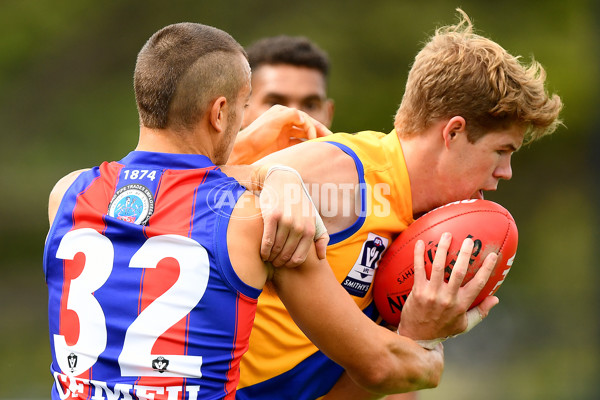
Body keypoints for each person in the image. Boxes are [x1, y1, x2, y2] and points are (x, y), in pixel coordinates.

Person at [43, 22, 497, 400]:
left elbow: (156, 189)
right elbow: (383, 369)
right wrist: (424, 332)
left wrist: (260, 163)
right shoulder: (260, 219)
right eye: (244, 110)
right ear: (220, 113)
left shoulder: (66, 194)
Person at [235, 9, 563, 400]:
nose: (506, 171)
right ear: (454, 132)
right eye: (501, 151)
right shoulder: (340, 174)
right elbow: (181, 193)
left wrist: (417, 339)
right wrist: (253, 164)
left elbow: (356, 384)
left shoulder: (427, 225)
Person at [227, 35, 334, 165]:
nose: (295, 117)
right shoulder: (205, 182)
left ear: (329, 113)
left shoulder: (359, 181)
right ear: (241, 110)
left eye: (310, 105)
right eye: (275, 103)